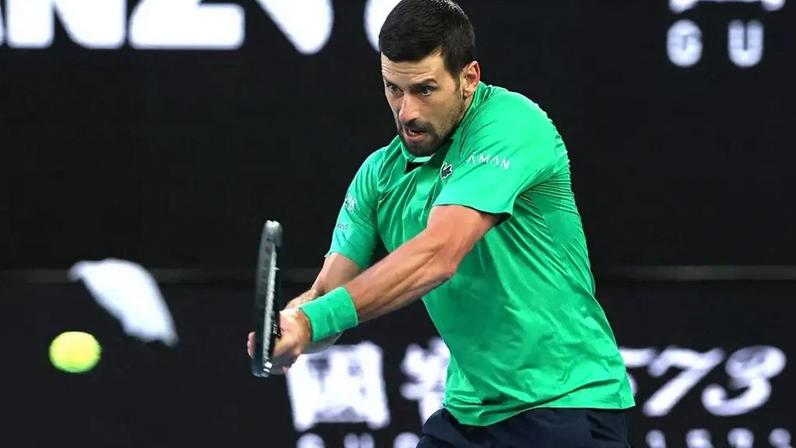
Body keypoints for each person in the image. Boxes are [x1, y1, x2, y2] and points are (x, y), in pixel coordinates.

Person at [247, 0, 634, 446]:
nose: (406, 111)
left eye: (425, 90)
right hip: (470, 414)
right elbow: (327, 299)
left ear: (468, 78)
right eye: (394, 89)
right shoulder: (380, 176)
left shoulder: (513, 125)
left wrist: (310, 322)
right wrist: (290, 328)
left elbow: (439, 254)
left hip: (567, 404)